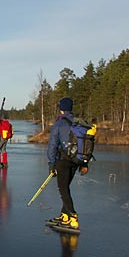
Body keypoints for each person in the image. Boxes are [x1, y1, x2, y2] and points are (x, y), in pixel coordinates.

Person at [46, 97, 84, 230]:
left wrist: (51, 163)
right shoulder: (79, 123)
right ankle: (65, 215)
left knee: (63, 190)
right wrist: (84, 164)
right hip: (76, 161)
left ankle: (73, 217)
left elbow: (52, 145)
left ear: (61, 109)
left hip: (63, 160)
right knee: (66, 188)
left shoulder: (59, 123)